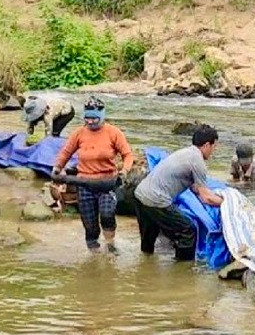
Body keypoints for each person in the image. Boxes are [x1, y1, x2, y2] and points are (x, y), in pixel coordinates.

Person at [52, 96, 134, 253]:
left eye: (94, 118)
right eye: (87, 118)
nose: (90, 122)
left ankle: (110, 245)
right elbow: (66, 152)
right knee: (89, 223)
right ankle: (94, 254)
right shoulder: (79, 133)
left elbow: (127, 155)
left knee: (107, 215)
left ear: (102, 116)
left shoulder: (113, 133)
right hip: (84, 184)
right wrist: (57, 168)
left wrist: (124, 171)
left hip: (107, 183)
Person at [133, 125, 224, 261]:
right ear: (206, 145)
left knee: (148, 240)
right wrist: (227, 203)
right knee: (187, 231)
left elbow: (196, 189)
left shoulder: (186, 153)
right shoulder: (197, 161)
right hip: (156, 200)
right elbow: (206, 199)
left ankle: (145, 266)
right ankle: (183, 272)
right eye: (214, 147)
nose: (213, 151)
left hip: (140, 195)